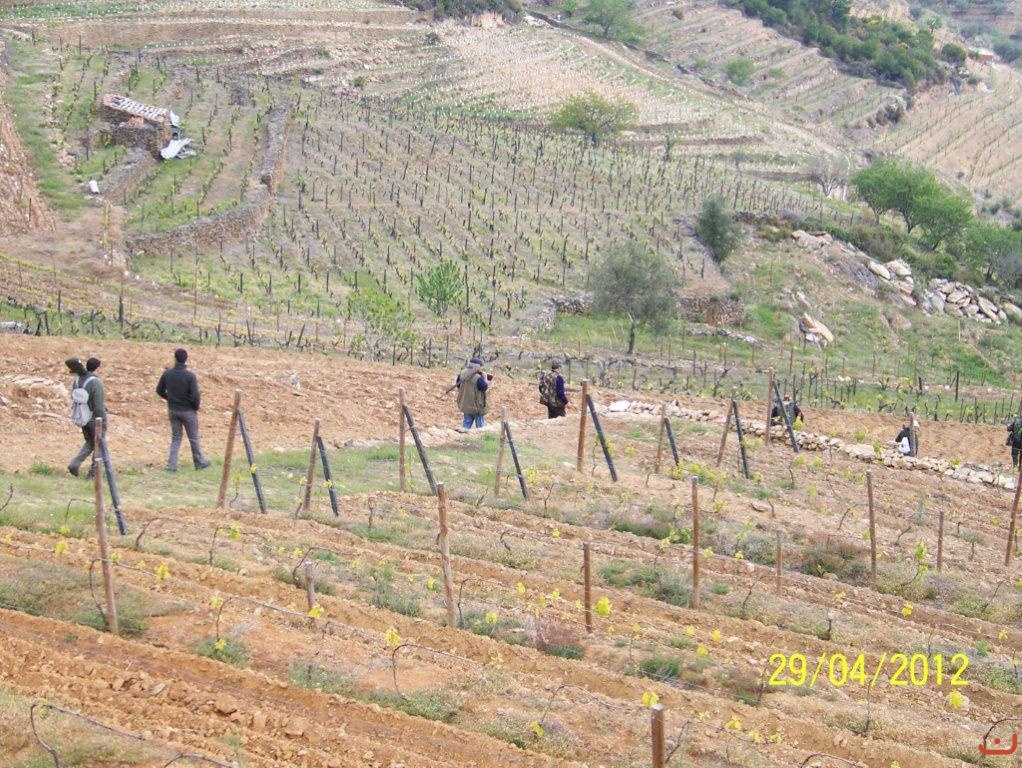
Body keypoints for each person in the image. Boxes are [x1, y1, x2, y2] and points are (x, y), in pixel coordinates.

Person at [156, 348, 211, 471]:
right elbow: (195, 395)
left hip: (173, 410)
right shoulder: (190, 376)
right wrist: (195, 407)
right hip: (187, 411)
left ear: (175, 358)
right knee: (193, 437)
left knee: (176, 438)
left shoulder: (167, 374)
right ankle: (199, 462)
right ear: (186, 359)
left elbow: (159, 390)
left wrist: (169, 398)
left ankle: (171, 465)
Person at [66, 357, 106, 478]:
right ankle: (93, 473)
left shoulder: (77, 381)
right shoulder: (95, 382)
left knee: (90, 442)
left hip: (83, 417)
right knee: (99, 444)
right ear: (97, 368)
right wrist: (103, 419)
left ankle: (74, 464)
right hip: (95, 419)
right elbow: (99, 405)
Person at [451, 358, 490, 429]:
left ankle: (463, 435)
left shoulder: (462, 373)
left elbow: (458, 386)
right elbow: (484, 387)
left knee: (466, 425)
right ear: (476, 366)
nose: (480, 368)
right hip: (476, 407)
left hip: (465, 404)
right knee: (481, 428)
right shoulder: (478, 377)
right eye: (480, 366)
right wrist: (485, 378)